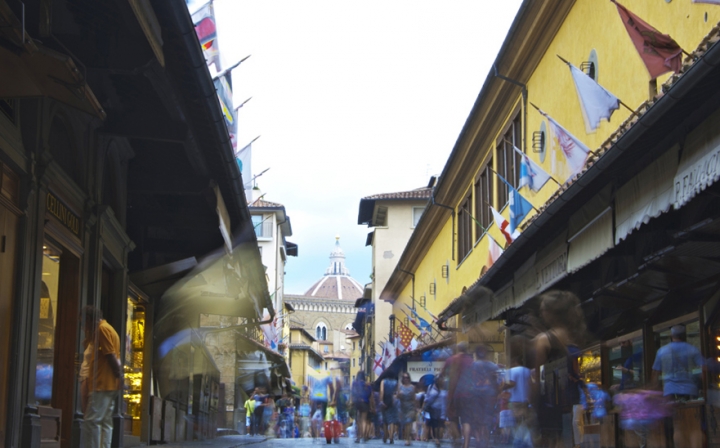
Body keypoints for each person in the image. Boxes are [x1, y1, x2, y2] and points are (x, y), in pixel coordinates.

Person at [532, 290, 586, 448]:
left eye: (542, 310)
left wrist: (533, 406)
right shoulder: (577, 338)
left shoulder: (544, 340)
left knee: (554, 442)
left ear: (550, 313)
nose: (541, 313)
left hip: (550, 404)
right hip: (573, 401)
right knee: (569, 441)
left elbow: (537, 379)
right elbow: (583, 373)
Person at [651, 324, 705, 448]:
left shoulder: (662, 351)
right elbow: (703, 369)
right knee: (693, 424)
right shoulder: (692, 349)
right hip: (690, 390)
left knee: (677, 425)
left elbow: (655, 372)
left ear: (671, 336)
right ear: (684, 335)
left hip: (670, 391)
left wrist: (655, 391)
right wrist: (703, 386)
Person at [81, 306, 121, 448]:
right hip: (109, 383)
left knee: (91, 421)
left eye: (84, 322)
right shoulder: (110, 329)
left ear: (89, 319)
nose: (83, 325)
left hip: (101, 383)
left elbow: (110, 354)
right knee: (105, 422)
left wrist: (119, 375)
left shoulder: (102, 329)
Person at [351, 372, 373, 442]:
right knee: (364, 420)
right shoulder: (367, 385)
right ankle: (364, 436)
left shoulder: (355, 383)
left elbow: (353, 392)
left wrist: (352, 401)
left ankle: (359, 436)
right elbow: (370, 394)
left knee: (359, 420)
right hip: (365, 403)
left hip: (358, 402)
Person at [396, 373, 417, 446]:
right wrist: (399, 395)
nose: (406, 379)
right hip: (403, 407)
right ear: (402, 379)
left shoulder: (412, 387)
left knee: (408, 422)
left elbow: (414, 399)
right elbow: (397, 397)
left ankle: (407, 439)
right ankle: (407, 437)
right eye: (404, 378)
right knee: (405, 424)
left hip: (410, 407)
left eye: (407, 377)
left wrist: (415, 408)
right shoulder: (400, 387)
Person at [379, 375, 399, 444]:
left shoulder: (383, 381)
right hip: (392, 402)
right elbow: (397, 392)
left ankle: (385, 436)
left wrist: (381, 401)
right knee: (392, 420)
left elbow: (382, 391)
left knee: (385, 420)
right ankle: (391, 437)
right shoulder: (396, 382)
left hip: (385, 401)